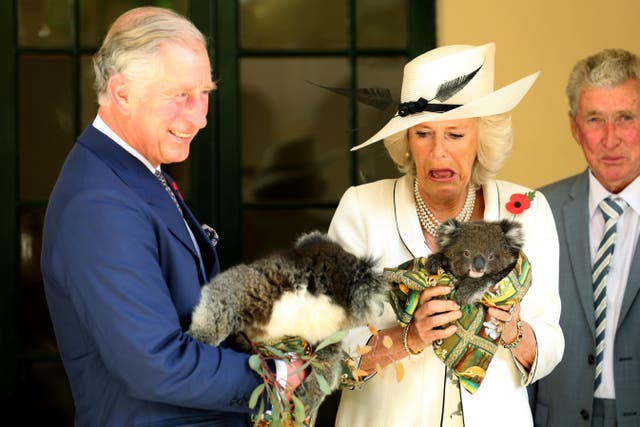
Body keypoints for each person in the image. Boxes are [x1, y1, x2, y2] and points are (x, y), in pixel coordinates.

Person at [40, 7, 304, 426]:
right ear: (122, 93)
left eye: (205, 94)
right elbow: (155, 363)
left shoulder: (133, 170)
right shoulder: (99, 204)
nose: (199, 117)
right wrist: (280, 376)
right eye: (180, 95)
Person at [327, 42, 564, 426]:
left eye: (455, 134)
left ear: (481, 140)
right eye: (423, 134)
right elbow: (328, 347)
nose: (438, 152)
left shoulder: (528, 208)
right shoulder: (361, 209)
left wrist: (511, 329)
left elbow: (551, 342)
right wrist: (410, 337)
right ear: (406, 141)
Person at [530, 49, 640, 427]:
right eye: (595, 119)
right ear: (575, 127)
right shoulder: (536, 209)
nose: (611, 139)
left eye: (625, 118)